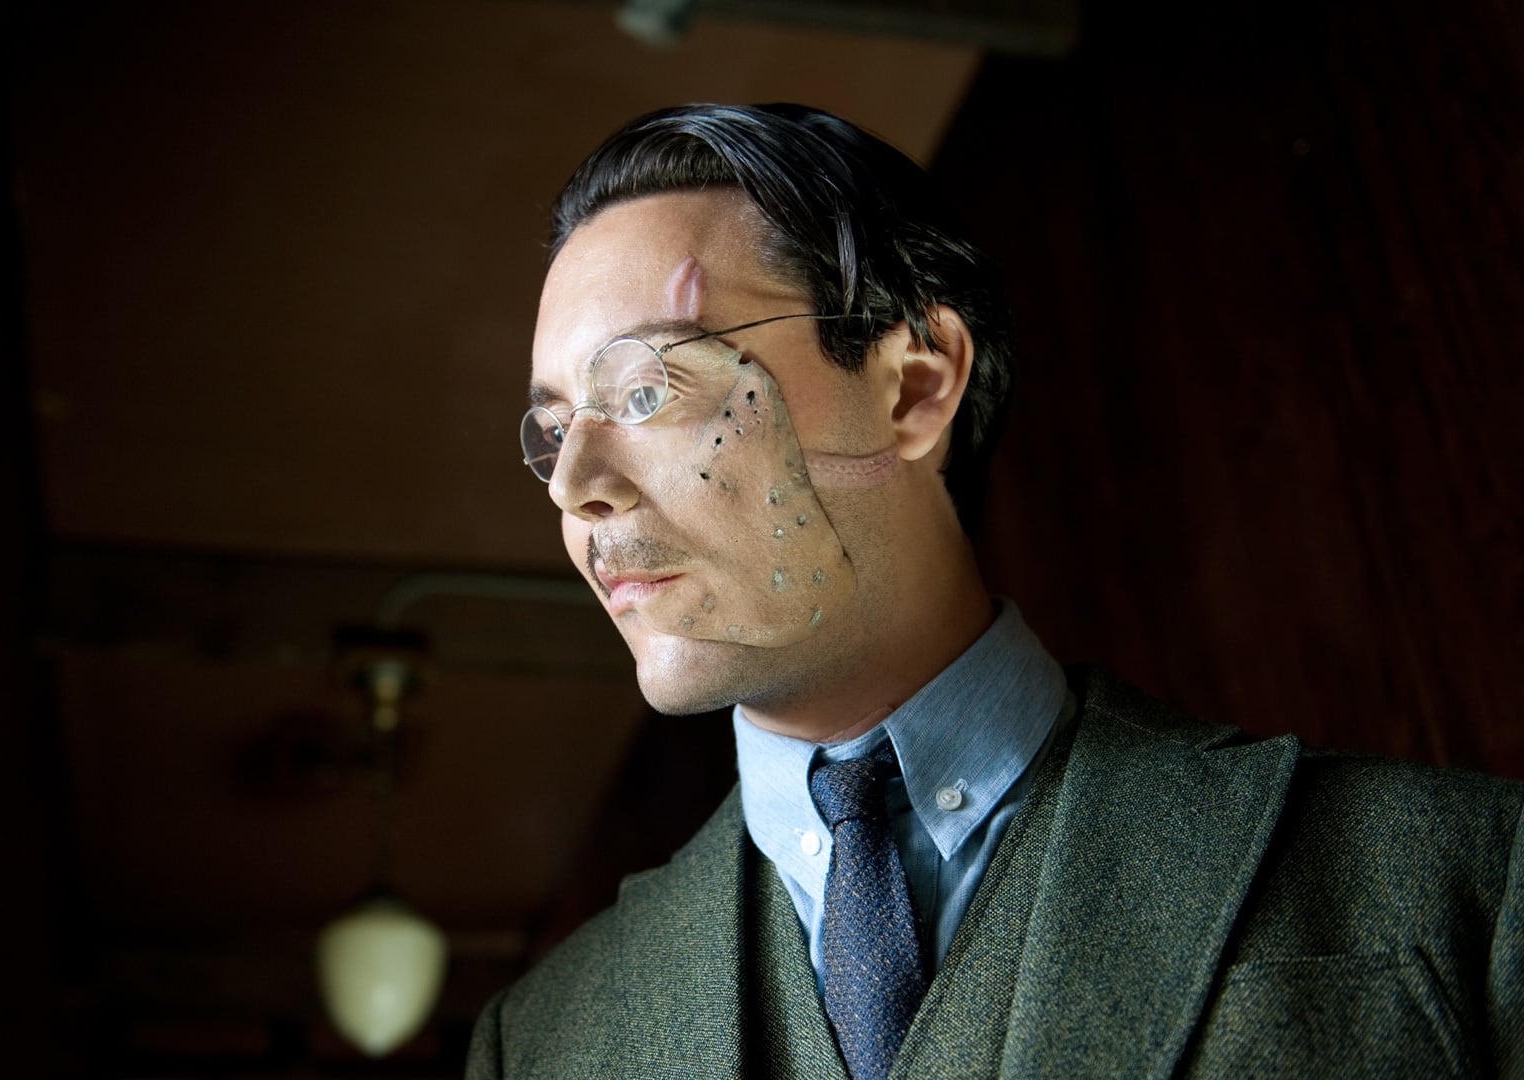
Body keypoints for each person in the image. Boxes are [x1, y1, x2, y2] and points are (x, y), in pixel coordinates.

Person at [465, 103, 1522, 1079]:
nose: (572, 486)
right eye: (553, 430)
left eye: (645, 390)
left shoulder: (1460, 878)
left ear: (915, 389)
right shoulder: (538, 1045)